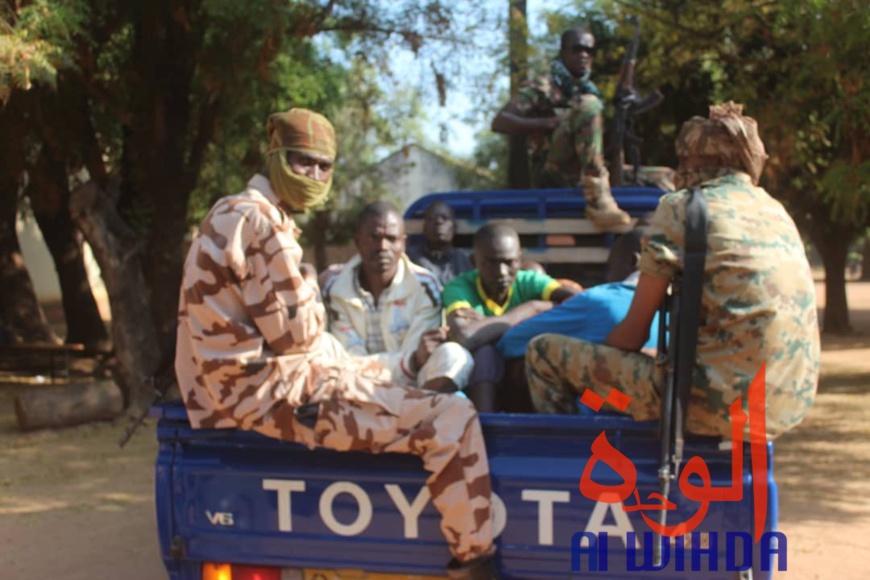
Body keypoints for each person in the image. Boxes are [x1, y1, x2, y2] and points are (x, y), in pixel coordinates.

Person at [175, 108, 497, 579]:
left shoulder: (228, 210)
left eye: (324, 166)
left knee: (387, 371)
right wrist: (307, 283)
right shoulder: (265, 225)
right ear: (276, 158)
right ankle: (475, 561)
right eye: (302, 162)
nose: (314, 175)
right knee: (452, 417)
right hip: (276, 393)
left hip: (252, 386)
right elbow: (297, 335)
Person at [525, 102, 820, 440]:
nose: (678, 172)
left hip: (711, 404)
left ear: (701, 162)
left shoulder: (683, 207)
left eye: (683, 161)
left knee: (543, 354)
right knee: (626, 382)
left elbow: (632, 334)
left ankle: (567, 465)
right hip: (781, 406)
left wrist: (602, 366)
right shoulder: (776, 211)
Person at [323, 201, 473, 394]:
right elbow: (347, 358)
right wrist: (410, 361)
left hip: (412, 386)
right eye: (374, 238)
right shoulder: (333, 285)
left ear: (403, 243)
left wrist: (413, 362)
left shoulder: (425, 285)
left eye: (391, 239)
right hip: (350, 387)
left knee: (455, 356)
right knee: (321, 345)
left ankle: (415, 411)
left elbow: (418, 360)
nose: (382, 247)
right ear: (358, 242)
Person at [491, 26, 631, 230]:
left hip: (583, 171)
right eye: (576, 49)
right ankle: (597, 200)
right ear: (562, 52)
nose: (583, 55)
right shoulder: (543, 86)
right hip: (550, 171)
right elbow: (500, 121)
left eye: (589, 51)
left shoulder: (590, 90)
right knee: (588, 105)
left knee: (662, 178)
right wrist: (546, 123)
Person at [443, 223, 579, 412]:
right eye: (491, 262)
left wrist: (486, 326)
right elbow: (466, 336)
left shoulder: (530, 281)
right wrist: (532, 309)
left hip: (527, 380)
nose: (501, 272)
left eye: (509, 262)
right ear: (474, 261)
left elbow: (578, 303)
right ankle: (486, 429)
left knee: (535, 356)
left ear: (520, 259)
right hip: (478, 382)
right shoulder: (460, 288)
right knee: (486, 354)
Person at [406, 201, 474, 286]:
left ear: (454, 227)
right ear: (424, 227)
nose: (438, 222)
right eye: (432, 218)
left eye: (445, 218)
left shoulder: (463, 261)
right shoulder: (409, 258)